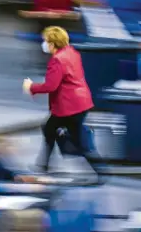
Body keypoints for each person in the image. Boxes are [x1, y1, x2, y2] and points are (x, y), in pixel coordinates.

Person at [22, 26, 96, 173]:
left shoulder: (57, 60)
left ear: (52, 43)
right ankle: (44, 165)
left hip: (69, 106)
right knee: (50, 129)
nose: (44, 44)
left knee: (75, 140)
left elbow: (51, 86)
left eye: (45, 41)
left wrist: (31, 87)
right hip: (80, 102)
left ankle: (100, 169)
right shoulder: (72, 53)